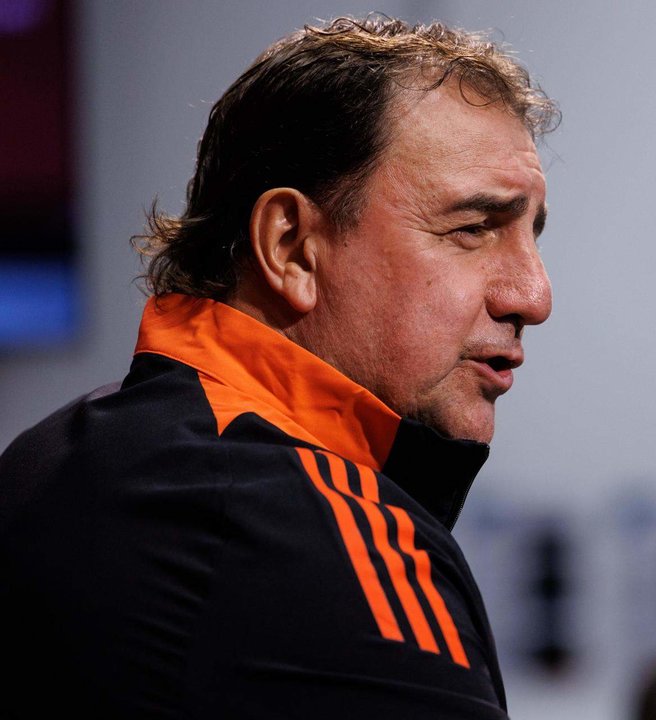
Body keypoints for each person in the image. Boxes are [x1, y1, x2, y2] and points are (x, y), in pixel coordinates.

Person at [0, 16, 557, 718]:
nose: (532, 296)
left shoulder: (48, 460)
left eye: (530, 236)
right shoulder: (319, 533)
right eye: (472, 229)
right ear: (290, 246)